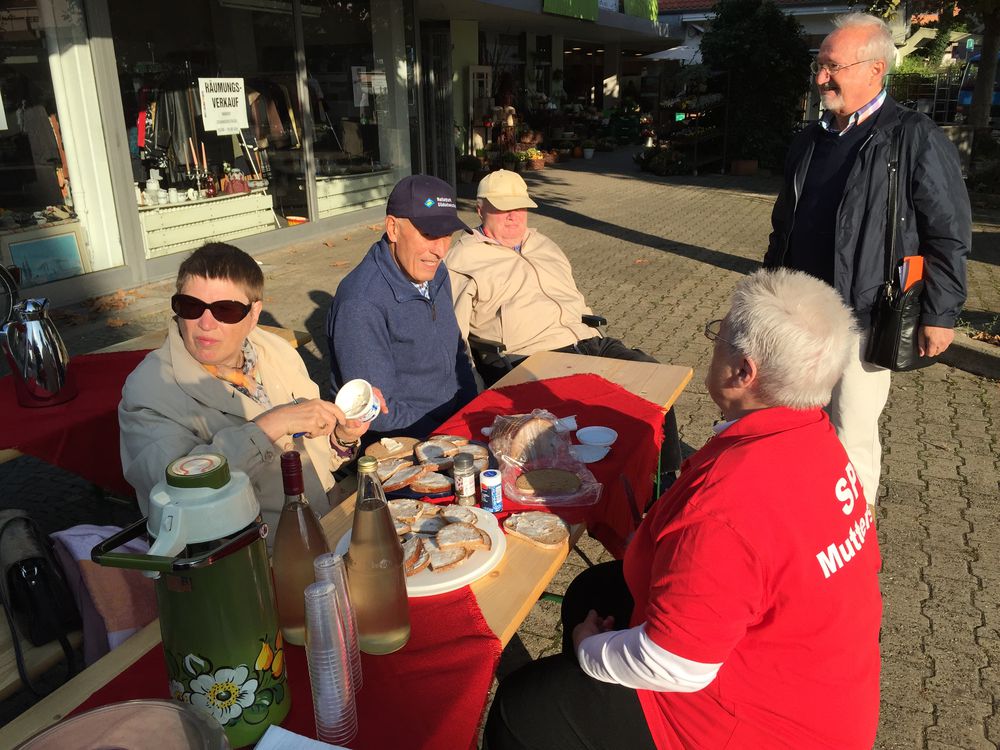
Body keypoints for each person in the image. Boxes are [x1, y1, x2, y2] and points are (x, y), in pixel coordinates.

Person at [484, 269, 883, 750]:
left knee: (523, 707)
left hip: (754, 720)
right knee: (594, 589)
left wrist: (589, 651)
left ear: (743, 372)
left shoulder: (728, 502)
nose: (712, 342)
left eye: (719, 334)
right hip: (818, 679)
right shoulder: (814, 436)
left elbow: (677, 664)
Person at [764, 12, 970, 507]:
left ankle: (850, 535)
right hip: (799, 314)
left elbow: (948, 231)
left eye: (831, 66)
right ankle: (797, 520)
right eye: (819, 66)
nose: (820, 79)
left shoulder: (913, 136)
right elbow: (783, 225)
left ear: (875, 69)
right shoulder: (810, 139)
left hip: (866, 312)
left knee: (850, 429)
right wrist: (764, 289)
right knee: (791, 422)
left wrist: (940, 314)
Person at [119, 242, 377, 531]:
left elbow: (320, 459)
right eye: (190, 307)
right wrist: (271, 425)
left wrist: (342, 436)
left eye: (225, 310)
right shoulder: (149, 389)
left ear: (254, 314)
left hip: (328, 522)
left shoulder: (278, 352)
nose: (205, 323)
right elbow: (178, 494)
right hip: (251, 555)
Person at [448, 169, 655, 376]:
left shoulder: (544, 245)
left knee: (654, 377)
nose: (513, 216)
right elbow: (455, 337)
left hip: (588, 342)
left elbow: (573, 296)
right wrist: (474, 390)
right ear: (480, 210)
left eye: (519, 207)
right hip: (531, 356)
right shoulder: (464, 260)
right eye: (502, 208)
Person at [326, 174, 478, 440]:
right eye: (429, 234)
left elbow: (456, 352)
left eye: (447, 236)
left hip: (451, 417)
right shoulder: (361, 304)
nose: (440, 250)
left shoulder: (433, 271)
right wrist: (449, 439)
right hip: (405, 439)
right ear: (393, 228)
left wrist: (473, 411)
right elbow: (377, 413)